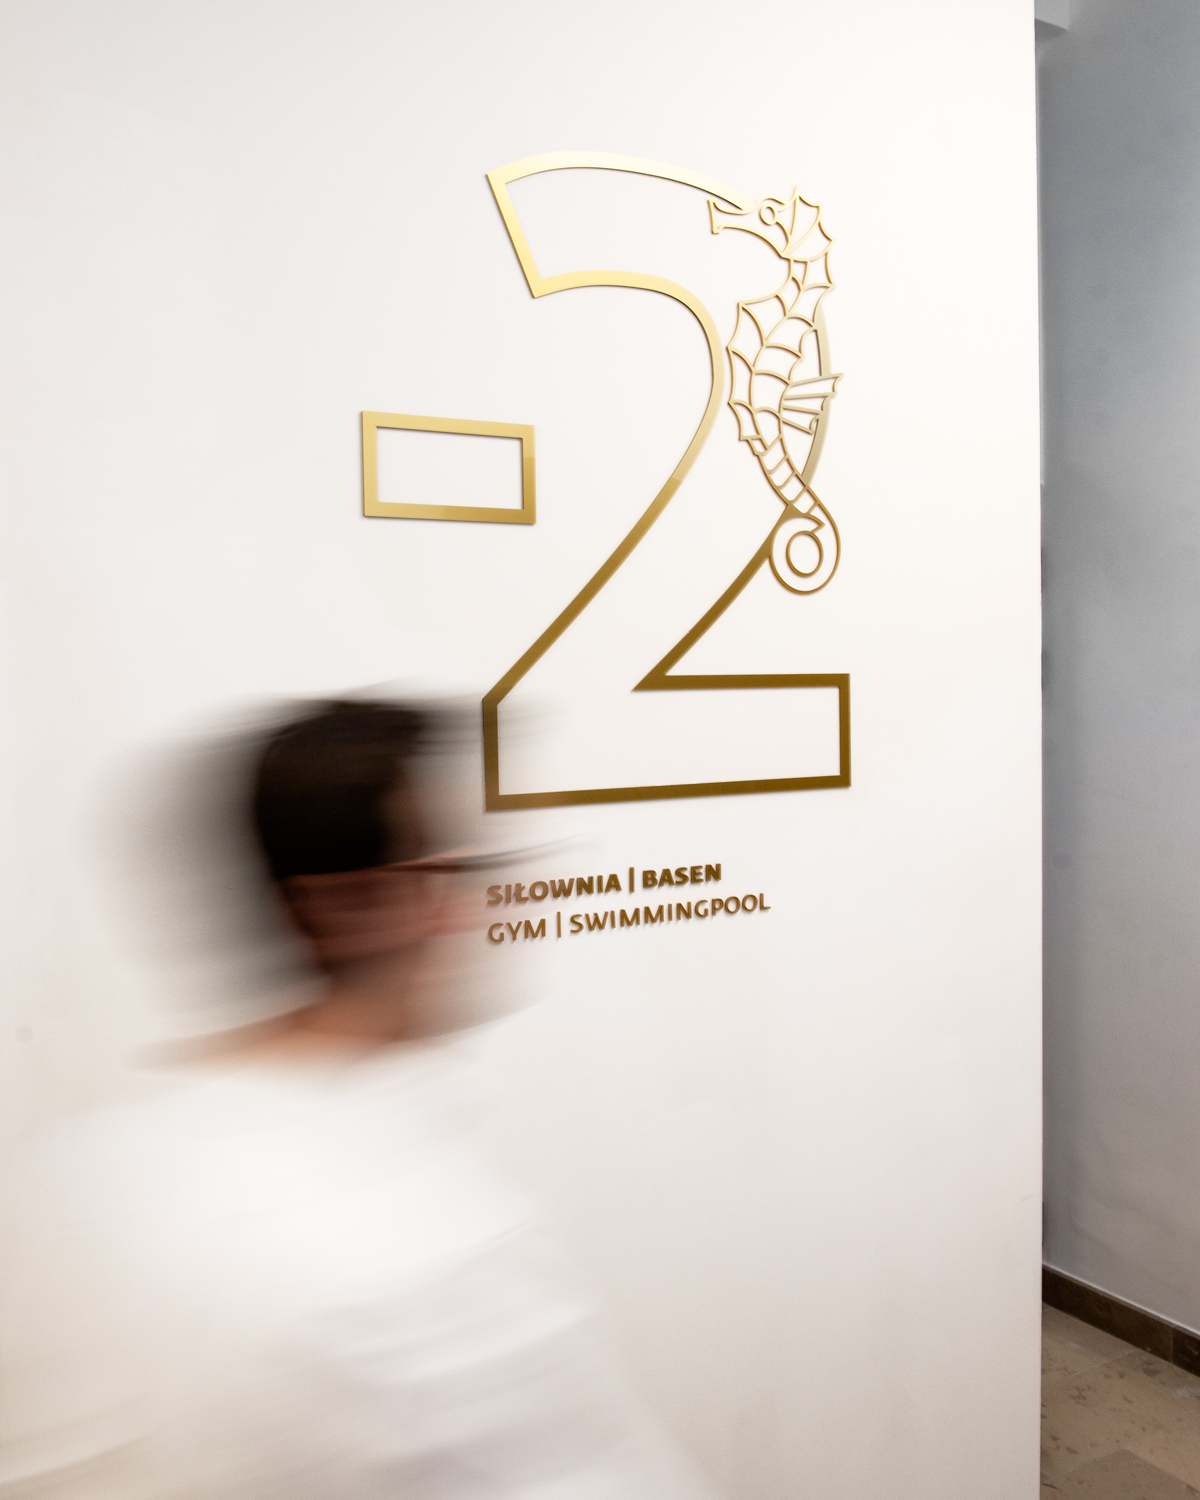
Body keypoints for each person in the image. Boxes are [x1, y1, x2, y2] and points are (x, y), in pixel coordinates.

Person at [0, 700, 710, 1500]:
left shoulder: (78, 1178)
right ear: (339, 905)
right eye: (453, 874)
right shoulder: (435, 1255)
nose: (482, 909)